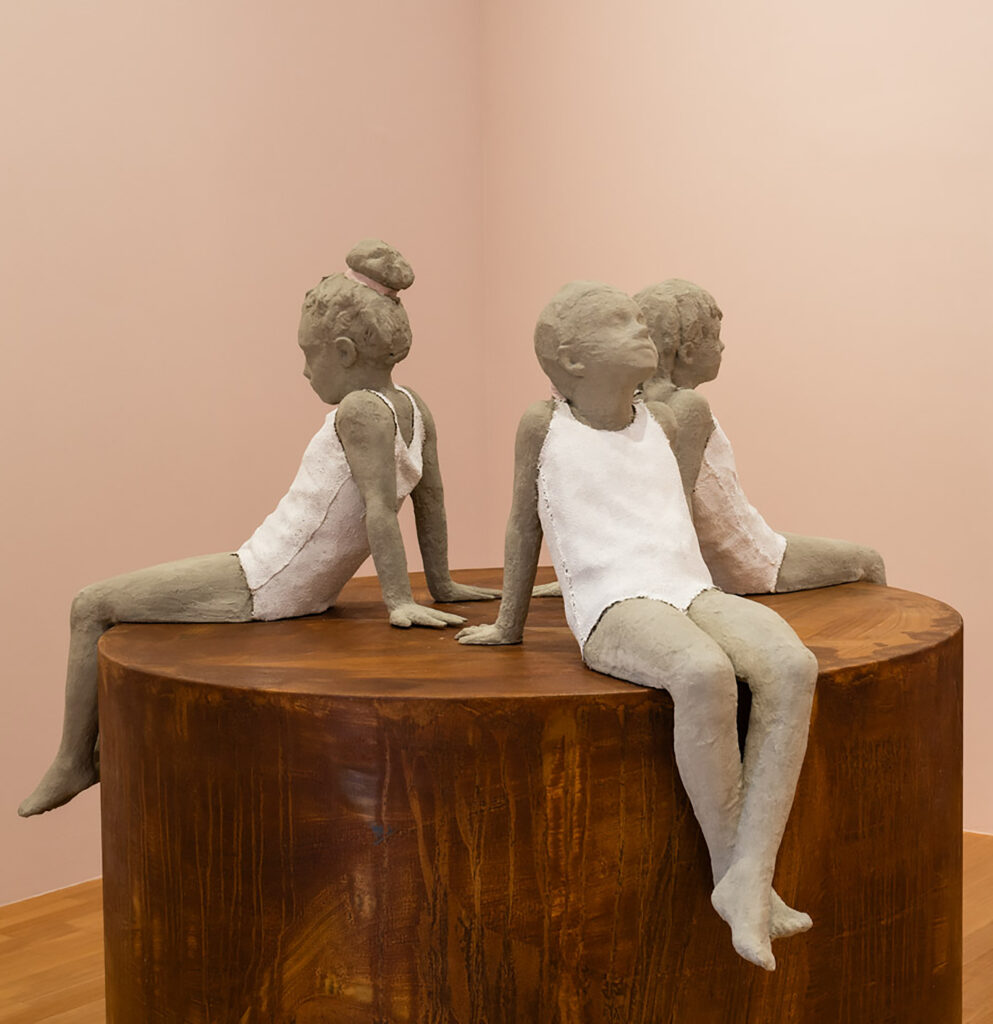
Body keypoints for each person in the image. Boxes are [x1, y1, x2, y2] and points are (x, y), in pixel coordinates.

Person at [19, 239, 498, 818]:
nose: (304, 369)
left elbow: (380, 508)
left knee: (90, 605)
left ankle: (73, 760)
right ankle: (77, 758)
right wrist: (439, 583)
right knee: (101, 603)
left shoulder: (358, 410)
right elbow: (429, 495)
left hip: (261, 581)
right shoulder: (412, 406)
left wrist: (400, 601)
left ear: (344, 351)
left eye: (309, 354)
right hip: (289, 584)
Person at [457, 282, 818, 971]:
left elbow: (668, 520)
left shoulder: (664, 422)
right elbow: (524, 523)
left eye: (638, 319)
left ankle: (748, 876)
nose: (642, 328)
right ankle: (736, 876)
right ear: (571, 356)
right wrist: (509, 623)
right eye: (621, 322)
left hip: (686, 586)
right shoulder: (544, 424)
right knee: (702, 671)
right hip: (611, 601)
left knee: (792, 664)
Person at [635, 278, 885, 594]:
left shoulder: (637, 408)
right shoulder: (688, 406)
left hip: (737, 547)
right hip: (746, 560)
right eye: (714, 337)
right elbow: (677, 503)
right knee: (869, 561)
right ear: (687, 352)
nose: (722, 347)